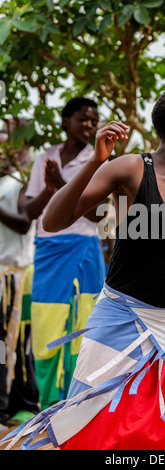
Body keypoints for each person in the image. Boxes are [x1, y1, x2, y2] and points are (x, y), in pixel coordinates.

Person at [2, 83, 165, 450]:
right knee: (91, 425)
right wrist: (96, 161)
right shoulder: (130, 168)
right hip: (121, 315)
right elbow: (53, 220)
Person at [24, 97, 106, 411]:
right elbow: (30, 211)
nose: (89, 125)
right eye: (83, 119)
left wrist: (61, 184)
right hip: (47, 251)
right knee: (45, 324)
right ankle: (47, 405)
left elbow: (101, 214)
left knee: (82, 327)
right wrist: (50, 188)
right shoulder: (45, 158)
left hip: (84, 250)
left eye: (94, 120)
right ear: (65, 121)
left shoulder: (99, 161)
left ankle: (79, 406)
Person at [0, 129, 39, 431]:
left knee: (8, 344)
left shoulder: (24, 178)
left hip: (12, 276)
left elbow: (25, 223)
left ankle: (10, 408)